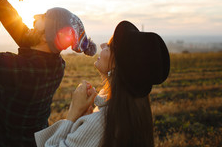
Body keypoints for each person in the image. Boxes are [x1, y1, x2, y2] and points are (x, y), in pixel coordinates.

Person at [0, 0, 97, 146]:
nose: (35, 17)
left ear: (47, 36)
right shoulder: (56, 65)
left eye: (43, 17)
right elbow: (21, 31)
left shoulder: (20, 70)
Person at [35, 20, 170, 147]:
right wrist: (81, 124)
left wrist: (73, 114)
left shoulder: (100, 123)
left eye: (110, 46)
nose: (102, 45)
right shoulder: (133, 113)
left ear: (117, 64)